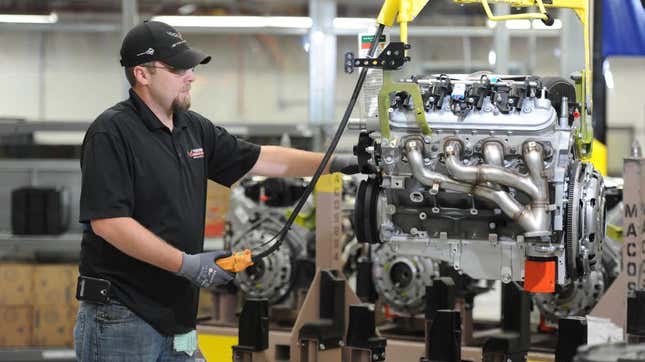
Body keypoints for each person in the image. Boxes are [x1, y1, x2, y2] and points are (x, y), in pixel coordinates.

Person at [74, 20, 353, 361]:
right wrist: (187, 265)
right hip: (122, 317)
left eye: (190, 67)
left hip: (178, 318)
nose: (190, 75)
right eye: (178, 68)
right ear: (142, 75)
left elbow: (261, 158)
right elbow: (110, 223)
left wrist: (336, 164)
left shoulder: (193, 128)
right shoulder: (112, 133)